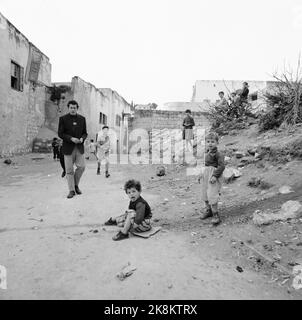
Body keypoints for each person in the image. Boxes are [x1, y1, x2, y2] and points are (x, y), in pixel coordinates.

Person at [58, 100, 88, 199]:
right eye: (71, 107)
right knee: (69, 170)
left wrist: (82, 138)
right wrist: (71, 138)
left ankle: (75, 185)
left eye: (74, 108)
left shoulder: (82, 119)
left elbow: (85, 133)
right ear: (68, 108)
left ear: (77, 108)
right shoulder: (63, 119)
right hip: (68, 148)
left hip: (79, 147)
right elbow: (60, 134)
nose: (73, 109)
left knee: (82, 167)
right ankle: (71, 190)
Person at [198, 132, 225, 226]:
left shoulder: (218, 154)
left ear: (217, 142)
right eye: (208, 141)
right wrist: (201, 174)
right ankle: (208, 210)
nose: (210, 143)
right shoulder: (207, 152)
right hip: (206, 175)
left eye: (212, 141)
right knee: (204, 193)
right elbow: (206, 165)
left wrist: (215, 176)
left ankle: (215, 214)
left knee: (212, 194)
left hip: (213, 176)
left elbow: (221, 166)